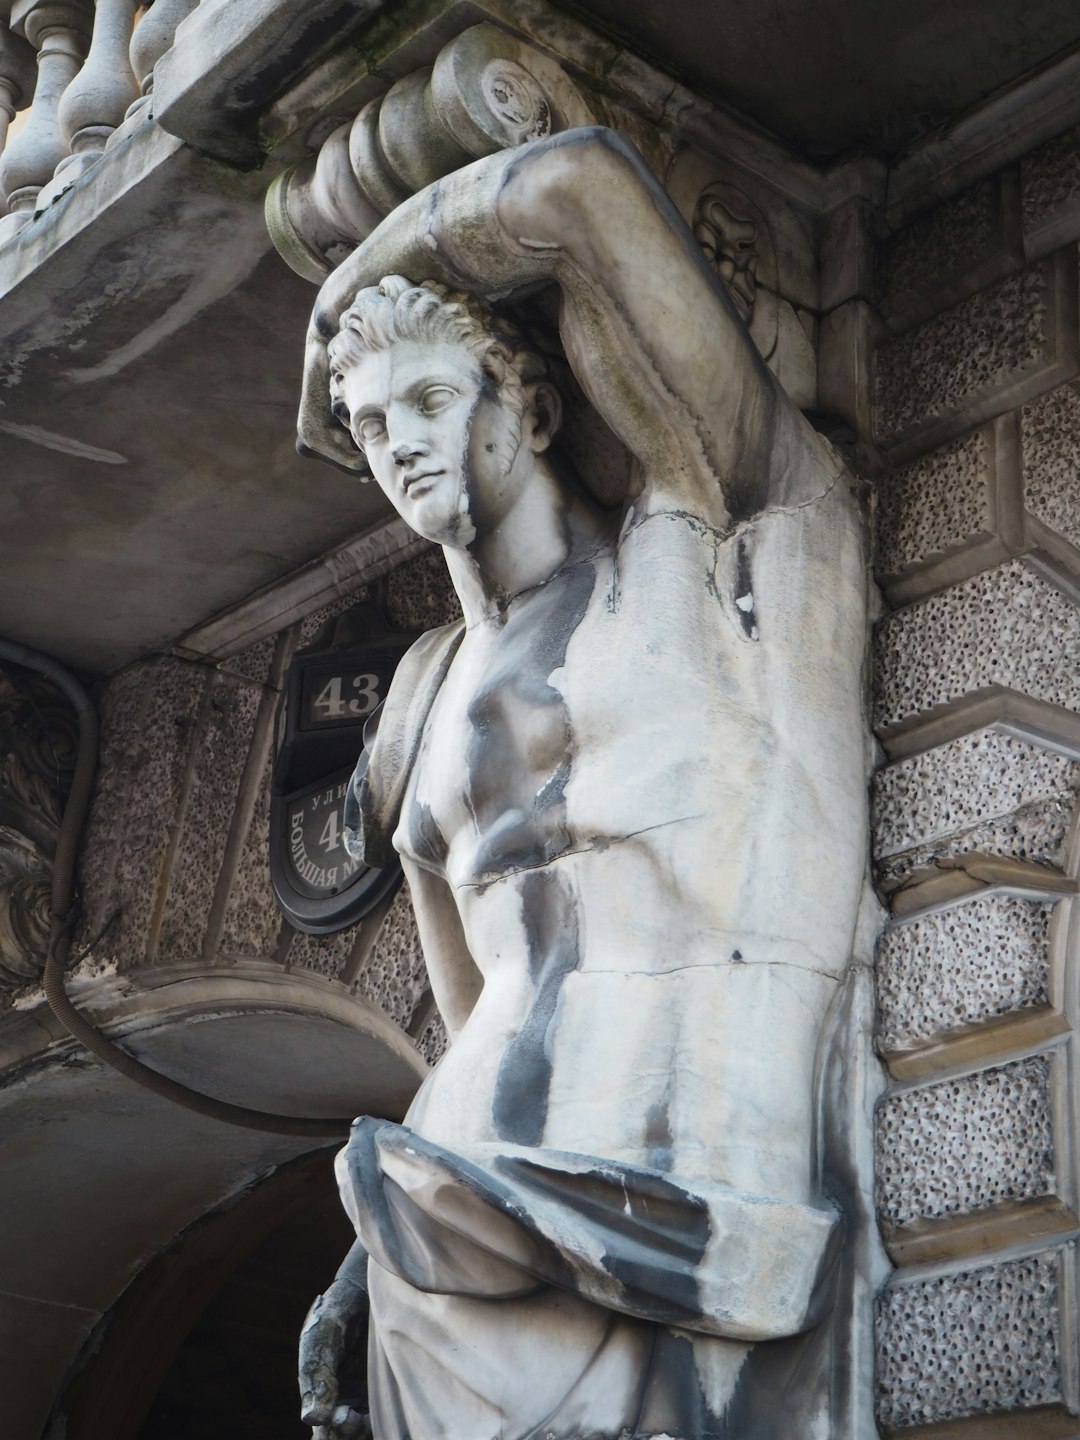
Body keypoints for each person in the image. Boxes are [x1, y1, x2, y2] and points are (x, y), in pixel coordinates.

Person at [296, 126, 871, 1440]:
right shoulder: (424, 701)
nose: (399, 446)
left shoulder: (719, 547)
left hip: (682, 1220)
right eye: (371, 424)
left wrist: (349, 283)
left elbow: (578, 188)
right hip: (450, 1224)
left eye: (432, 401)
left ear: (535, 407)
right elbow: (463, 1013)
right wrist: (362, 1261)